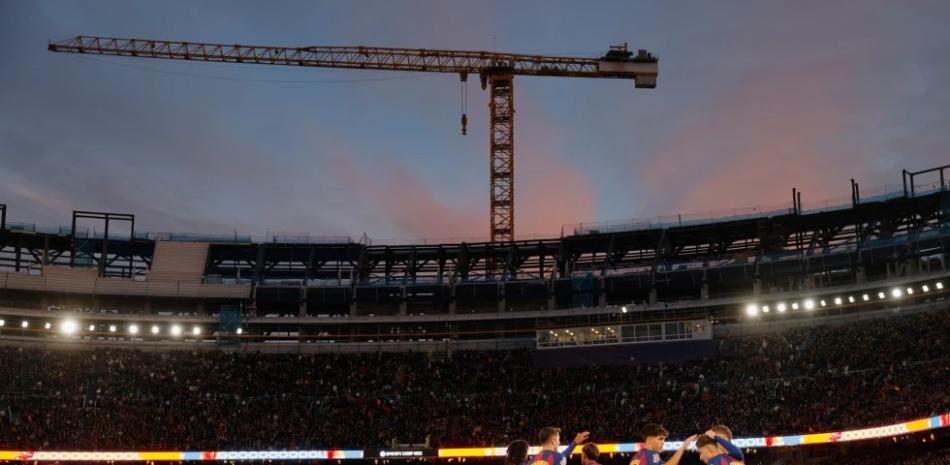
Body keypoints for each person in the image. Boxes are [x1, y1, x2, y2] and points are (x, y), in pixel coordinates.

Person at [629, 424, 696, 465]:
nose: (663, 442)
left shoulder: (637, 456)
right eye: (660, 439)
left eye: (664, 439)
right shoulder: (650, 455)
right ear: (649, 440)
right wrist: (683, 446)